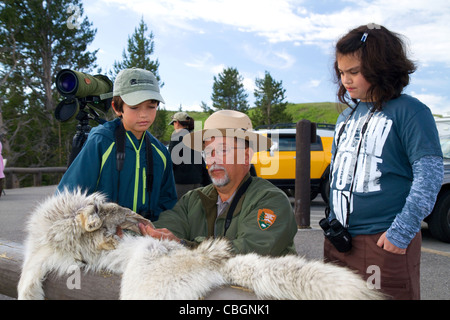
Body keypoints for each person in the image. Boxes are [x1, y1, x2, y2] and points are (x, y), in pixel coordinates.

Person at [324, 24, 443, 299]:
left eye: (354, 72)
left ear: (382, 67)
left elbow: (429, 176)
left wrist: (400, 233)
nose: (346, 80)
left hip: (383, 242)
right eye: (341, 72)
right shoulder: (345, 117)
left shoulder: (411, 111)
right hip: (337, 241)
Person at [140, 110, 298, 256]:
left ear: (246, 156)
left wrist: (183, 245)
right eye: (208, 152)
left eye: (223, 150)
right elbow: (160, 229)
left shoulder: (271, 200)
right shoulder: (192, 200)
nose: (213, 159)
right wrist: (130, 233)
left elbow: (249, 252)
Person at [57, 68, 177, 220]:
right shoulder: (102, 141)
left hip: (145, 240)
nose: (143, 114)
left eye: (151, 106)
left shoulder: (160, 152)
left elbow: (168, 203)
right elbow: (67, 199)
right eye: (134, 107)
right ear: (117, 108)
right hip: (103, 238)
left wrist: (155, 229)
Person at [168, 111, 211, 199]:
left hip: (181, 184)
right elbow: (201, 162)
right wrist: (208, 182)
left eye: (174, 123)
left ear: (177, 122)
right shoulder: (194, 138)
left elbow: (170, 162)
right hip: (198, 182)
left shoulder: (176, 137)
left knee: (181, 210)